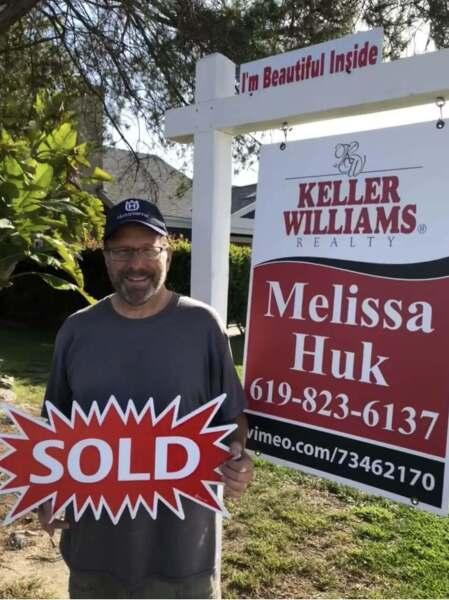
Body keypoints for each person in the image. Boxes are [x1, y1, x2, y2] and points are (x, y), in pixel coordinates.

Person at [38, 198, 253, 599]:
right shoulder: (77, 331)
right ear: (105, 257)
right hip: (95, 551)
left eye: (148, 249)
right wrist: (46, 491)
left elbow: (232, 415)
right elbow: (53, 426)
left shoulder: (202, 326)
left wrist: (238, 456)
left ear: (167, 253)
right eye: (122, 251)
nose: (136, 264)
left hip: (182, 555)